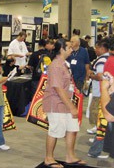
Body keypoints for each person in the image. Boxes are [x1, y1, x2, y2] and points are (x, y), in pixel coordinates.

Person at [42, 40, 86, 168]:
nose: (71, 49)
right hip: (56, 103)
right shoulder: (56, 65)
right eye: (69, 47)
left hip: (66, 101)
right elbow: (58, 88)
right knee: (55, 130)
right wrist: (71, 107)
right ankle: (49, 158)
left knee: (72, 129)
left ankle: (70, 156)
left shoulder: (64, 64)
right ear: (61, 49)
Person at [87, 34, 114, 159]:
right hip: (109, 98)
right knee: (104, 127)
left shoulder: (112, 59)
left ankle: (98, 150)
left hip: (108, 97)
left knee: (104, 127)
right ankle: (96, 151)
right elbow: (108, 80)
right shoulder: (112, 61)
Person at [86, 39, 109, 135]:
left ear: (102, 48)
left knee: (96, 113)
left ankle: (98, 135)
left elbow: (100, 76)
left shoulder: (102, 60)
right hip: (102, 91)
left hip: (99, 92)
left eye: (97, 48)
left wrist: (91, 75)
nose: (95, 50)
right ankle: (97, 130)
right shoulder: (108, 58)